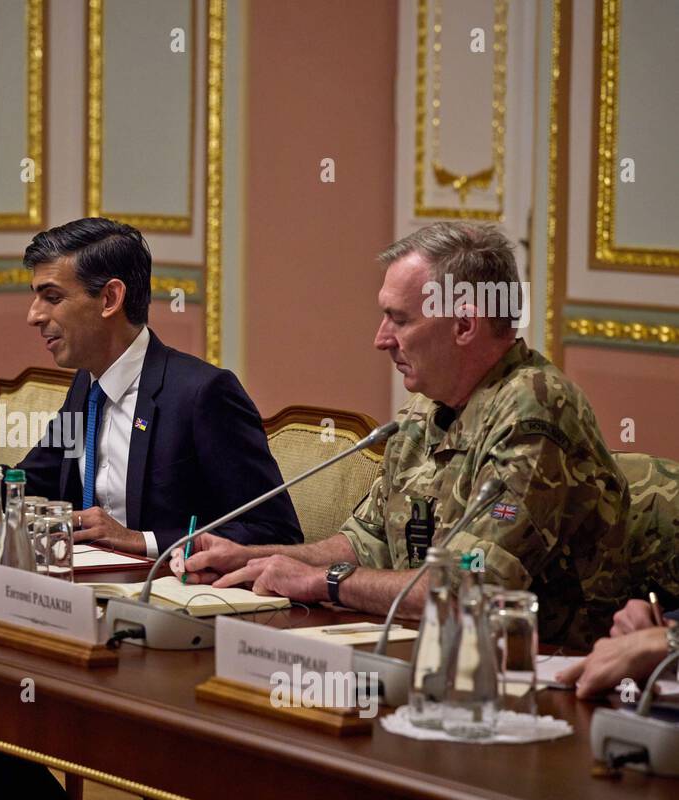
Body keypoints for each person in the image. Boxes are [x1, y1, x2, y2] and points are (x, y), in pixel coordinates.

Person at [183, 222, 628, 651]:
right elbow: (365, 543)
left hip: (543, 675)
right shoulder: (425, 409)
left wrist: (324, 582)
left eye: (399, 319)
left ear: (464, 326)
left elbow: (467, 587)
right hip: (434, 652)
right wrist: (251, 558)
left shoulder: (534, 409)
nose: (382, 339)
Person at [0, 217, 301, 556]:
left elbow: (272, 531)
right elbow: (31, 486)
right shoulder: (87, 386)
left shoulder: (202, 394)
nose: (33, 316)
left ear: (109, 299)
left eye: (51, 297)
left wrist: (142, 540)